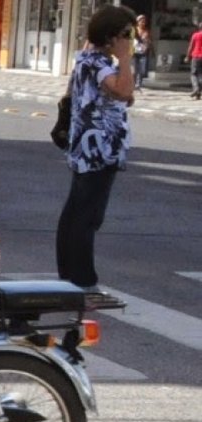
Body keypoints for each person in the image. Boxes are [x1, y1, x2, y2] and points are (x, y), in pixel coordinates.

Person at [56, 6, 135, 296]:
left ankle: (69, 274)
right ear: (112, 36)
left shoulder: (88, 59)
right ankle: (82, 280)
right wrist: (125, 59)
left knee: (77, 211)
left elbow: (123, 94)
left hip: (89, 147)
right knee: (87, 216)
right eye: (127, 34)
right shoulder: (99, 63)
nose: (130, 40)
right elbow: (124, 92)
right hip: (98, 149)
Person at [132, 14, 150, 91]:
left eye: (144, 22)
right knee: (134, 70)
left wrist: (148, 47)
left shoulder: (147, 31)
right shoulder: (134, 30)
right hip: (134, 52)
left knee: (142, 70)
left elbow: (148, 41)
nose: (143, 23)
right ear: (138, 22)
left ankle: (139, 84)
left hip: (143, 52)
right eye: (141, 21)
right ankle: (134, 84)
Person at [186, 21, 202, 100]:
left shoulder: (195, 35)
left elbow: (191, 46)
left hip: (196, 56)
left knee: (194, 74)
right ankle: (198, 93)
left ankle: (196, 88)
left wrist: (187, 56)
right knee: (200, 74)